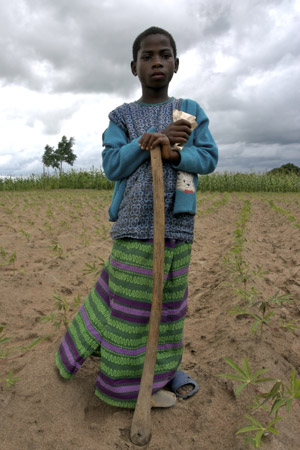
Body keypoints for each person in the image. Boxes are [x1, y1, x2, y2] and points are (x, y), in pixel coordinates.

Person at [56, 26, 218, 409]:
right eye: (147, 56)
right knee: (130, 311)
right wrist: (149, 138)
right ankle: (122, 390)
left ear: (176, 64)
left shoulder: (190, 112)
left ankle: (162, 374)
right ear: (134, 67)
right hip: (132, 228)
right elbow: (113, 165)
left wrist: (175, 153)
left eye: (164, 55)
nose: (156, 61)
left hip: (177, 228)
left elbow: (209, 158)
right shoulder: (123, 116)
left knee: (169, 307)